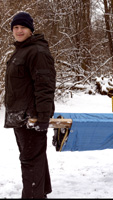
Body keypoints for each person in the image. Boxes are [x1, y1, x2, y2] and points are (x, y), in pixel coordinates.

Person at [4, 12, 56, 199]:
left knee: (30, 160)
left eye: (23, 27)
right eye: (15, 28)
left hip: (31, 117)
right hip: (20, 116)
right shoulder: (22, 49)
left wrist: (42, 118)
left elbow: (44, 86)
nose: (18, 31)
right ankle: (40, 193)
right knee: (34, 158)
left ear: (30, 29)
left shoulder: (37, 52)